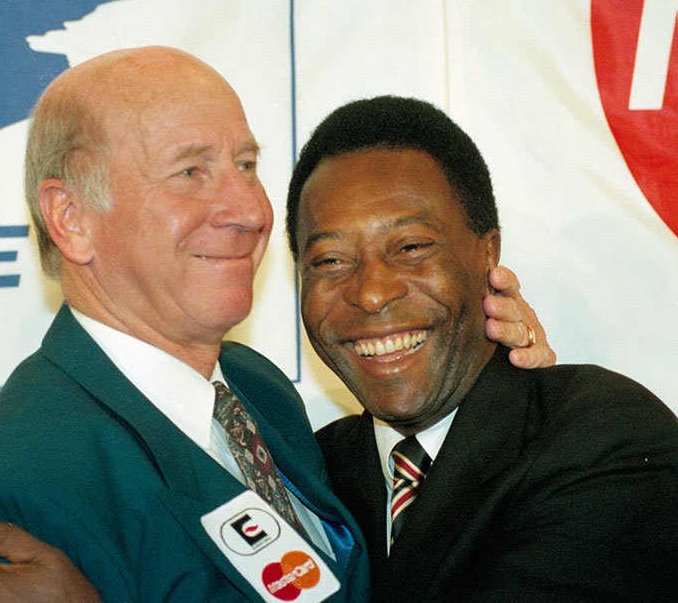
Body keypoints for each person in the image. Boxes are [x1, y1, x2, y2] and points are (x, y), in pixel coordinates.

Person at [0, 55, 552, 603]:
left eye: (246, 165)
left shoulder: (256, 388)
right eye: (191, 172)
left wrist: (502, 404)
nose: (251, 210)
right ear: (71, 218)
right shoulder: (9, 496)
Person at [289, 96, 678, 601]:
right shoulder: (305, 480)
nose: (372, 293)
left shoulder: (606, 438)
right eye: (330, 260)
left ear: (488, 252)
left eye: (411, 247)